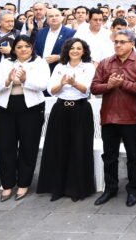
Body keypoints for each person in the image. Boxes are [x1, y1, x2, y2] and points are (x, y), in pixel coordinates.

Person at [91, 29, 136, 207]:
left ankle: (133, 189)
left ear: (132, 43)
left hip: (131, 116)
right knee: (109, 155)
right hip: (109, 115)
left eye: (122, 42)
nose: (118, 45)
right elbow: (94, 88)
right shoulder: (105, 63)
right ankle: (111, 188)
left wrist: (122, 83)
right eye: (116, 42)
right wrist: (109, 85)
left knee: (133, 156)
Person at [0, 34, 49, 201]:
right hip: (6, 108)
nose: (23, 49)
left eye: (27, 46)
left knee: (28, 146)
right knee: (6, 145)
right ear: (14, 49)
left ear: (32, 47)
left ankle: (24, 183)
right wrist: (7, 79)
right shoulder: (5, 63)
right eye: (20, 47)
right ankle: (7, 184)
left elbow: (43, 85)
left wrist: (25, 79)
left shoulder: (40, 62)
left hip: (31, 108)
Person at [37, 38, 96, 201]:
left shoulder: (88, 67)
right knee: (58, 147)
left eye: (79, 48)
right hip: (61, 109)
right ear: (67, 50)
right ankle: (57, 187)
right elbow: (52, 90)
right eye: (72, 48)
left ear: (84, 51)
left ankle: (77, 188)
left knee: (79, 147)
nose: (75, 51)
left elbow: (87, 90)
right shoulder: (59, 67)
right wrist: (63, 84)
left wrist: (74, 83)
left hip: (80, 109)